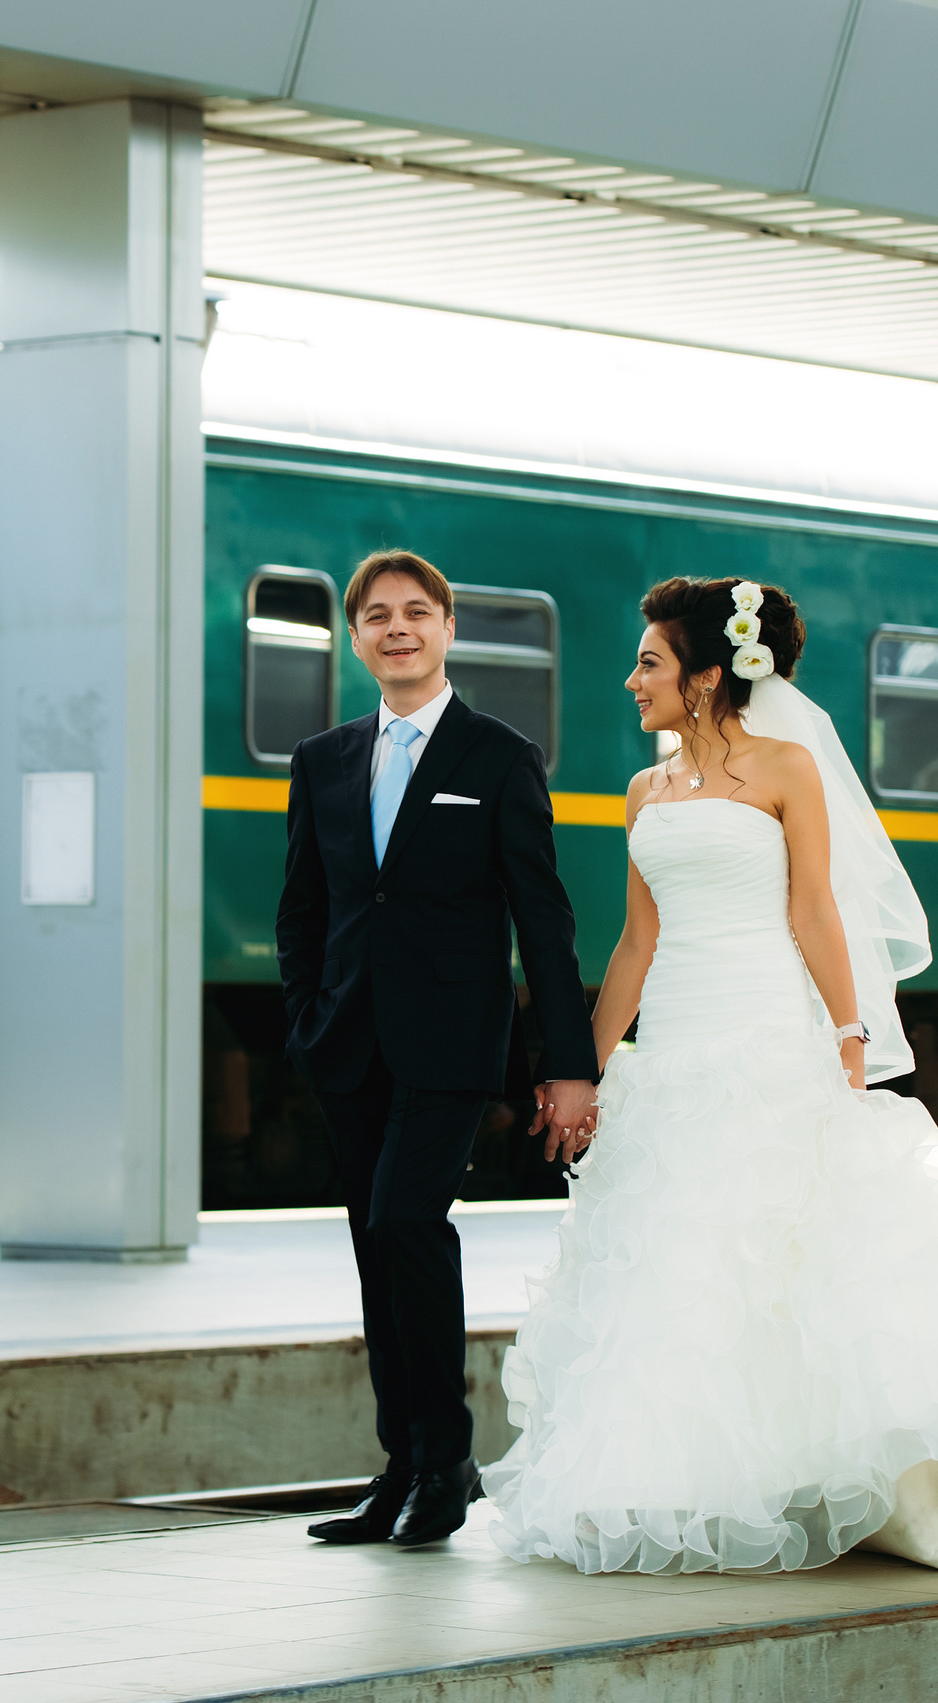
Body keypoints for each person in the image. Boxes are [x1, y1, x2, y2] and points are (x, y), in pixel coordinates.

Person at [480, 575, 938, 1576]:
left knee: (775, 1254)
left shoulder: (786, 768)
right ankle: (681, 1482)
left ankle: (822, 1481)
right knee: (676, 1260)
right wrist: (583, 1066)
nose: (629, 679)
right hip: (679, 1045)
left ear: (703, 675)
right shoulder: (644, 790)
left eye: (648, 662)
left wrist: (850, 1036)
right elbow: (637, 941)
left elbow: (815, 910)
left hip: (768, 1033)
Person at [277, 549, 599, 1549]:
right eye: (376, 615)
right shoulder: (321, 760)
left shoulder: (498, 757)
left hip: (453, 1039)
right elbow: (304, 907)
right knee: (375, 1246)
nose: (397, 628)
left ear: (447, 628)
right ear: (356, 635)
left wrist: (569, 1061)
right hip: (348, 1039)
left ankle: (448, 1458)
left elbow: (543, 922)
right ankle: (402, 1463)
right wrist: (307, 1012)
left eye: (416, 612)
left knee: (407, 1220)